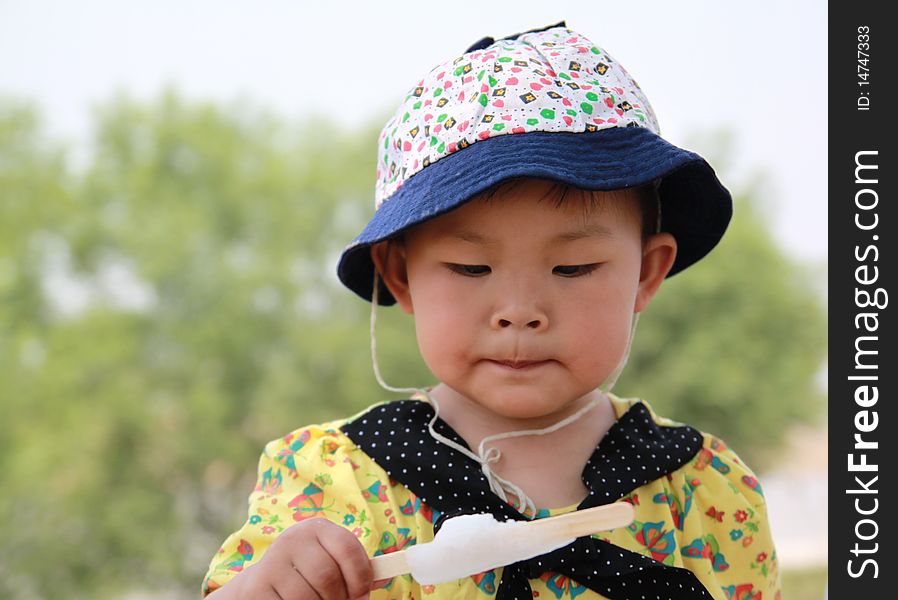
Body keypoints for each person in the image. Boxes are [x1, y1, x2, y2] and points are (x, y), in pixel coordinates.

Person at [203, 22, 781, 600]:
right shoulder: (332, 486)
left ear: (646, 273)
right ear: (400, 275)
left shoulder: (706, 490)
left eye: (573, 268)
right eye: (471, 269)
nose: (520, 313)